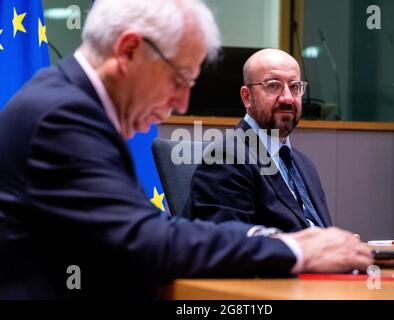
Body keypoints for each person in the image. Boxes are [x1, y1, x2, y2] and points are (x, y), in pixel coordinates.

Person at [0, 0, 372, 300]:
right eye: (180, 79)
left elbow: (154, 228)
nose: (180, 103)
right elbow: (146, 243)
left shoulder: (68, 103)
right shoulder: (63, 117)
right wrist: (294, 250)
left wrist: (280, 242)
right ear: (129, 50)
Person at [190, 49, 331, 232]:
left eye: (294, 87)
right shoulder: (226, 159)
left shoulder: (305, 165)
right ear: (247, 97)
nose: (288, 98)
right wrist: (311, 251)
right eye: (274, 85)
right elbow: (232, 246)